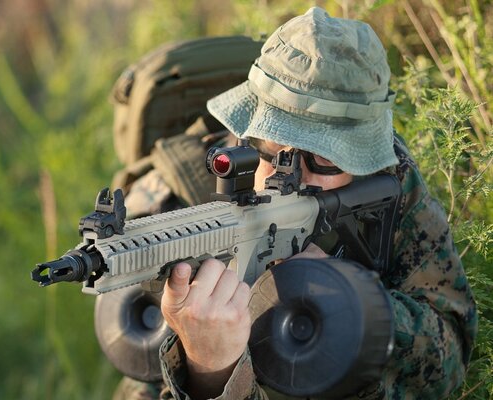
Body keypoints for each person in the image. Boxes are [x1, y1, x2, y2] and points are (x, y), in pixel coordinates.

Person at [114, 7, 477, 400]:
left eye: (325, 159)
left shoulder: (386, 184)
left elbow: (450, 358)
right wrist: (209, 371)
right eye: (270, 149)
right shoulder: (181, 205)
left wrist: (356, 306)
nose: (289, 177)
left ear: (361, 161)